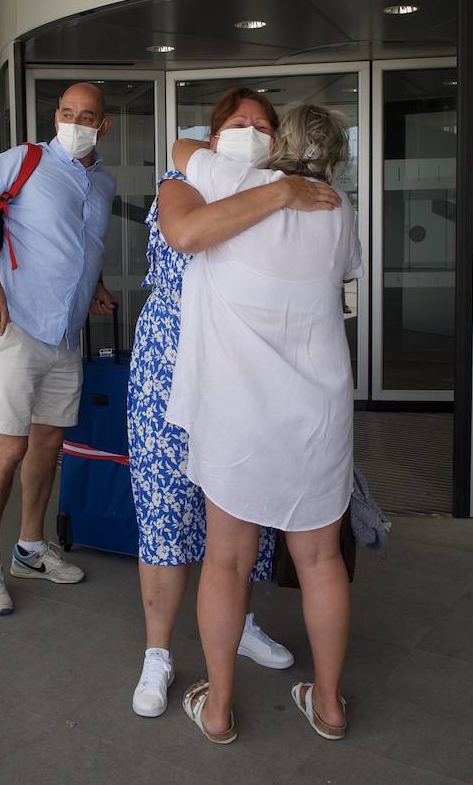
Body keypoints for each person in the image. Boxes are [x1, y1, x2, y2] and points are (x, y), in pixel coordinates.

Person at [126, 88, 344, 718]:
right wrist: (280, 192)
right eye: (238, 124)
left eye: (263, 126)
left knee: (246, 521)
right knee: (168, 519)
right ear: (214, 134)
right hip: (171, 375)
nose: (251, 132)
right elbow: (188, 232)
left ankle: (238, 627)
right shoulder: (188, 180)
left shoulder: (298, 199)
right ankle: (158, 652)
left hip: (246, 384)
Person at [0, 82, 117, 616]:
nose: (74, 122)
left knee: (48, 445)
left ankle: (29, 550)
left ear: (103, 125)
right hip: (13, 326)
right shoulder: (25, 159)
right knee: (8, 448)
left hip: (65, 335)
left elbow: (78, 243)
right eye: (67, 112)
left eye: (86, 115)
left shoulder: (104, 183)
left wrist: (92, 284)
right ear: (56, 115)